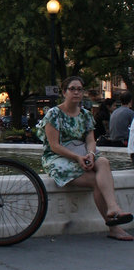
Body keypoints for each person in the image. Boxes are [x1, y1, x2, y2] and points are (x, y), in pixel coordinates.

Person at [38, 76, 133, 241]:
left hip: (81, 152)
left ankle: (112, 207)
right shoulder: (54, 114)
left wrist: (89, 154)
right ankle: (114, 227)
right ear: (64, 92)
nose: (76, 92)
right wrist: (77, 157)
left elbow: (90, 140)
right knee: (96, 181)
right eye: (72, 89)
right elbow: (54, 146)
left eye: (79, 89)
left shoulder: (86, 115)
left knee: (103, 161)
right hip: (58, 157)